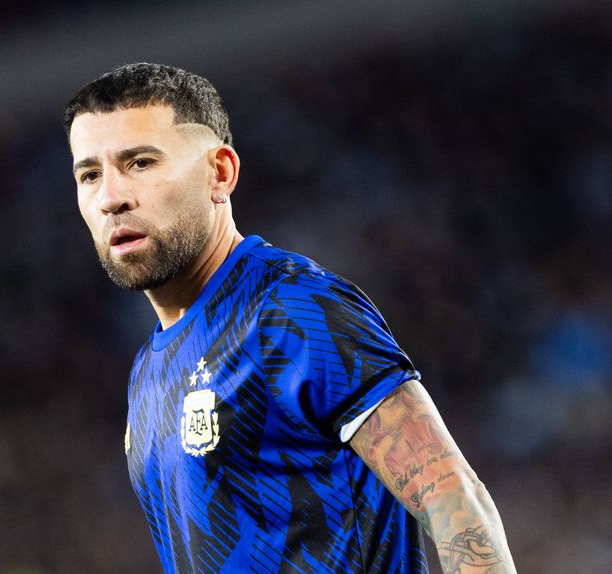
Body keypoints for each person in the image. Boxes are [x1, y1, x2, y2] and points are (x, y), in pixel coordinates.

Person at [64, 62, 516, 573]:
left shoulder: (291, 308)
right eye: (90, 175)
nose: (111, 198)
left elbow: (455, 501)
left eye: (141, 163)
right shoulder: (148, 368)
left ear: (220, 173)